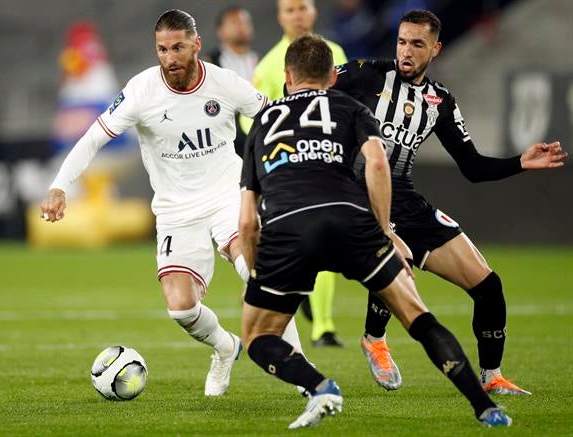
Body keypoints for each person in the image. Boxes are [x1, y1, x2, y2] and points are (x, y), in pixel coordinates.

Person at [239, 33, 512, 429]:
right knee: (419, 318)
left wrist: (255, 269)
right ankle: (484, 407)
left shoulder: (265, 120)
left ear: (287, 76)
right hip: (351, 219)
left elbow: (247, 219)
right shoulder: (351, 107)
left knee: (259, 337)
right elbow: (378, 165)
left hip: (290, 228)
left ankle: (320, 387)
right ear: (333, 76)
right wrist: (385, 232)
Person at [333, 9, 568, 394]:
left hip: (405, 199)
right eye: (402, 42)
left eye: (417, 44)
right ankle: (374, 338)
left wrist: (520, 163)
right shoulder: (364, 73)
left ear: (436, 49)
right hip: (358, 194)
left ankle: (492, 377)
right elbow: (308, 94)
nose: (406, 51)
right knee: (400, 256)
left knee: (489, 287)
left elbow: (472, 167)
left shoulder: (438, 101)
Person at [40, 9, 271, 397]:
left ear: (196, 44)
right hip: (175, 211)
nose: (170, 57)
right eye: (162, 49)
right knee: (181, 308)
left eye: (178, 47)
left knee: (254, 272)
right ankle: (226, 348)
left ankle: (302, 371)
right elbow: (94, 137)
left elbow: (273, 116)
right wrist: (60, 185)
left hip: (227, 194)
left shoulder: (224, 83)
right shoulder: (141, 91)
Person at [248, 0, 349, 347]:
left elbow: (347, 102)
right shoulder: (270, 65)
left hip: (330, 163)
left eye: (302, 8)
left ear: (314, 11)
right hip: (290, 173)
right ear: (279, 17)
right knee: (309, 244)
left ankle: (323, 326)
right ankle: (314, 318)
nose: (297, 15)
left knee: (326, 243)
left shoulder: (334, 51)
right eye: (290, 10)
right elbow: (252, 120)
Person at [205, 6, 259, 157]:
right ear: (220, 31)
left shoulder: (260, 62)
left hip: (255, 134)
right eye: (234, 22)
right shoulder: (209, 65)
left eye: (245, 22)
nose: (241, 26)